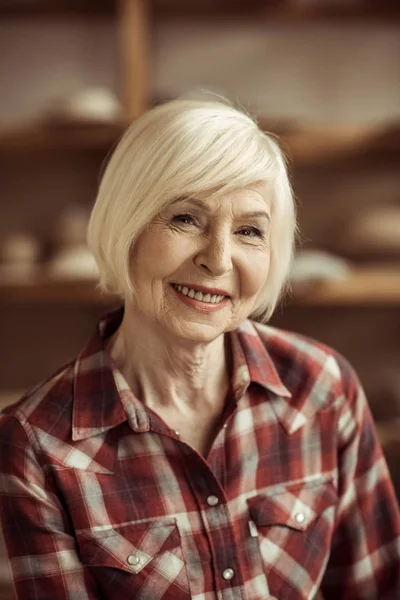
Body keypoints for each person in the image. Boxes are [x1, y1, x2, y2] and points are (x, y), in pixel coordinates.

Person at [0, 98, 399, 600]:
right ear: (126, 226)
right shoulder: (37, 446)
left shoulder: (322, 387)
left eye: (249, 231)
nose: (217, 259)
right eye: (186, 219)